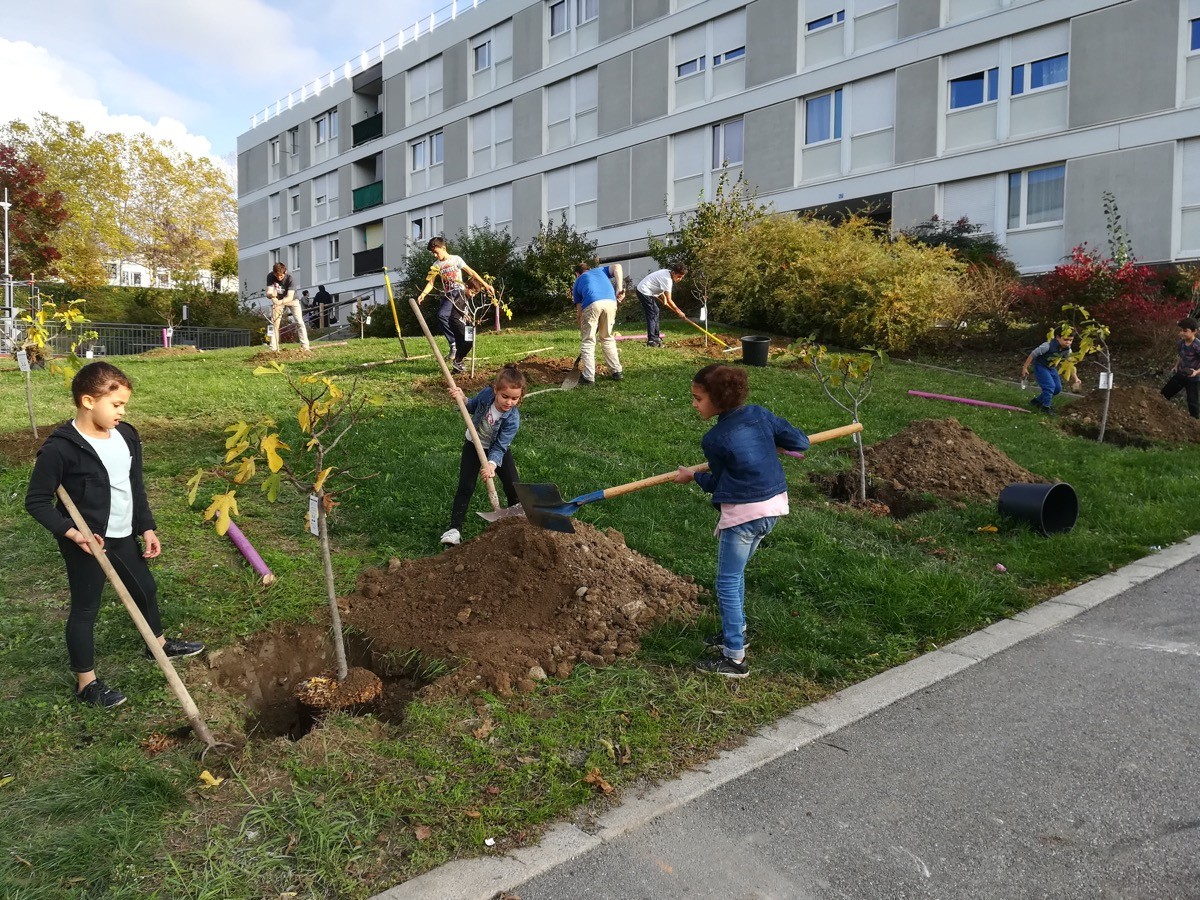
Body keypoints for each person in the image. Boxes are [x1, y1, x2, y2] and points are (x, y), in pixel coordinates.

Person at [24, 362, 205, 709]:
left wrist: (146, 526)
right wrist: (73, 534)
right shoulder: (60, 449)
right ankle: (86, 683)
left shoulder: (126, 435)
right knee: (85, 609)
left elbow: (134, 487)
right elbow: (36, 502)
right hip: (88, 543)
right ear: (88, 400)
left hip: (123, 533)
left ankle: (158, 644)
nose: (122, 412)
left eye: (124, 405)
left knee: (145, 589)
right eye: (116, 405)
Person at [672, 364, 809, 678]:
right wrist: (773, 444)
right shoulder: (760, 414)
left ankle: (735, 659)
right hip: (773, 507)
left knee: (727, 582)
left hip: (744, 516)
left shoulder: (716, 439)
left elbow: (719, 485)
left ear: (718, 400)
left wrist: (692, 476)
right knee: (736, 576)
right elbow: (800, 442)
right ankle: (738, 630)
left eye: (698, 398)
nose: (694, 404)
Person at [440, 365, 526, 546]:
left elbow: (501, 446)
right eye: (505, 396)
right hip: (473, 444)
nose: (509, 402)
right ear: (495, 390)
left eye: (514, 398)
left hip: (496, 449)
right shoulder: (486, 395)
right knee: (466, 485)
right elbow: (472, 406)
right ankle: (454, 529)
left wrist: (491, 465)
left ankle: (517, 521)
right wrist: (462, 398)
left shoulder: (512, 419)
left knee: (513, 485)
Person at [416, 236, 495, 374]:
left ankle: (459, 359)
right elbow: (431, 283)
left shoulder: (456, 259)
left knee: (464, 330)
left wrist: (485, 284)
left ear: (443, 248)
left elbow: (471, 272)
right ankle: (454, 345)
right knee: (443, 316)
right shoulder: (436, 265)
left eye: (436, 252)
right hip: (448, 296)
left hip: (459, 293)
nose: (435, 255)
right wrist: (423, 294)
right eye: (433, 253)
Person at [572, 259, 625, 385]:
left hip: (591, 304)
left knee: (588, 341)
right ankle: (617, 371)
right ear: (588, 269)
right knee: (607, 337)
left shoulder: (577, 282)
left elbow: (580, 313)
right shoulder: (600, 270)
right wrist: (619, 289)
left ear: (576, 274)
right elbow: (617, 266)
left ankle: (588, 377)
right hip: (611, 302)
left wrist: (584, 331)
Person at [1021, 327, 1080, 414]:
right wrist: (1025, 367)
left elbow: (1070, 364)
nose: (1068, 342)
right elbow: (1033, 354)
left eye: (1070, 340)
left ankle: (1036, 402)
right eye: (1065, 339)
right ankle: (1046, 407)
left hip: (1051, 368)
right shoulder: (1047, 346)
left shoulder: (1068, 350)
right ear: (1057, 337)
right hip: (1040, 367)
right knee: (1049, 387)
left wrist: (1076, 378)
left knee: (1057, 389)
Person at [636, 263, 687, 348]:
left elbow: (659, 285)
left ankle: (656, 337)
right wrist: (679, 311)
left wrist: (664, 297)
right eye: (679, 276)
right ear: (673, 273)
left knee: (656, 311)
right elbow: (670, 299)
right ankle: (651, 340)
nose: (680, 279)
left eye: (682, 277)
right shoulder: (667, 279)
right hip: (643, 291)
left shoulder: (667, 272)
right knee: (652, 314)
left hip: (648, 291)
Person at [265, 262, 310, 352]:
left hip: (292, 300)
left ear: (284, 272)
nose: (279, 278)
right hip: (278, 301)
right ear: (274, 273)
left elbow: (289, 297)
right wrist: (271, 296)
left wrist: (279, 302)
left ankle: (305, 346)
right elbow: (269, 292)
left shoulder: (290, 277)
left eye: (281, 276)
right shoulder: (270, 276)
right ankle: (273, 348)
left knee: (299, 322)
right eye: (277, 276)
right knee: (274, 323)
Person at [1161, 317, 1200, 419]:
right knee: (1164, 394)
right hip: (1181, 374)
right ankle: (1160, 416)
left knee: (1193, 403)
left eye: (1185, 331)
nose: (1182, 333)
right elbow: (1181, 355)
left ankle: (1194, 424)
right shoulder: (1181, 343)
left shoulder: (1197, 345)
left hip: (1193, 378)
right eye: (1181, 330)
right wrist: (1175, 366)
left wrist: (1196, 372)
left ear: (1194, 331)